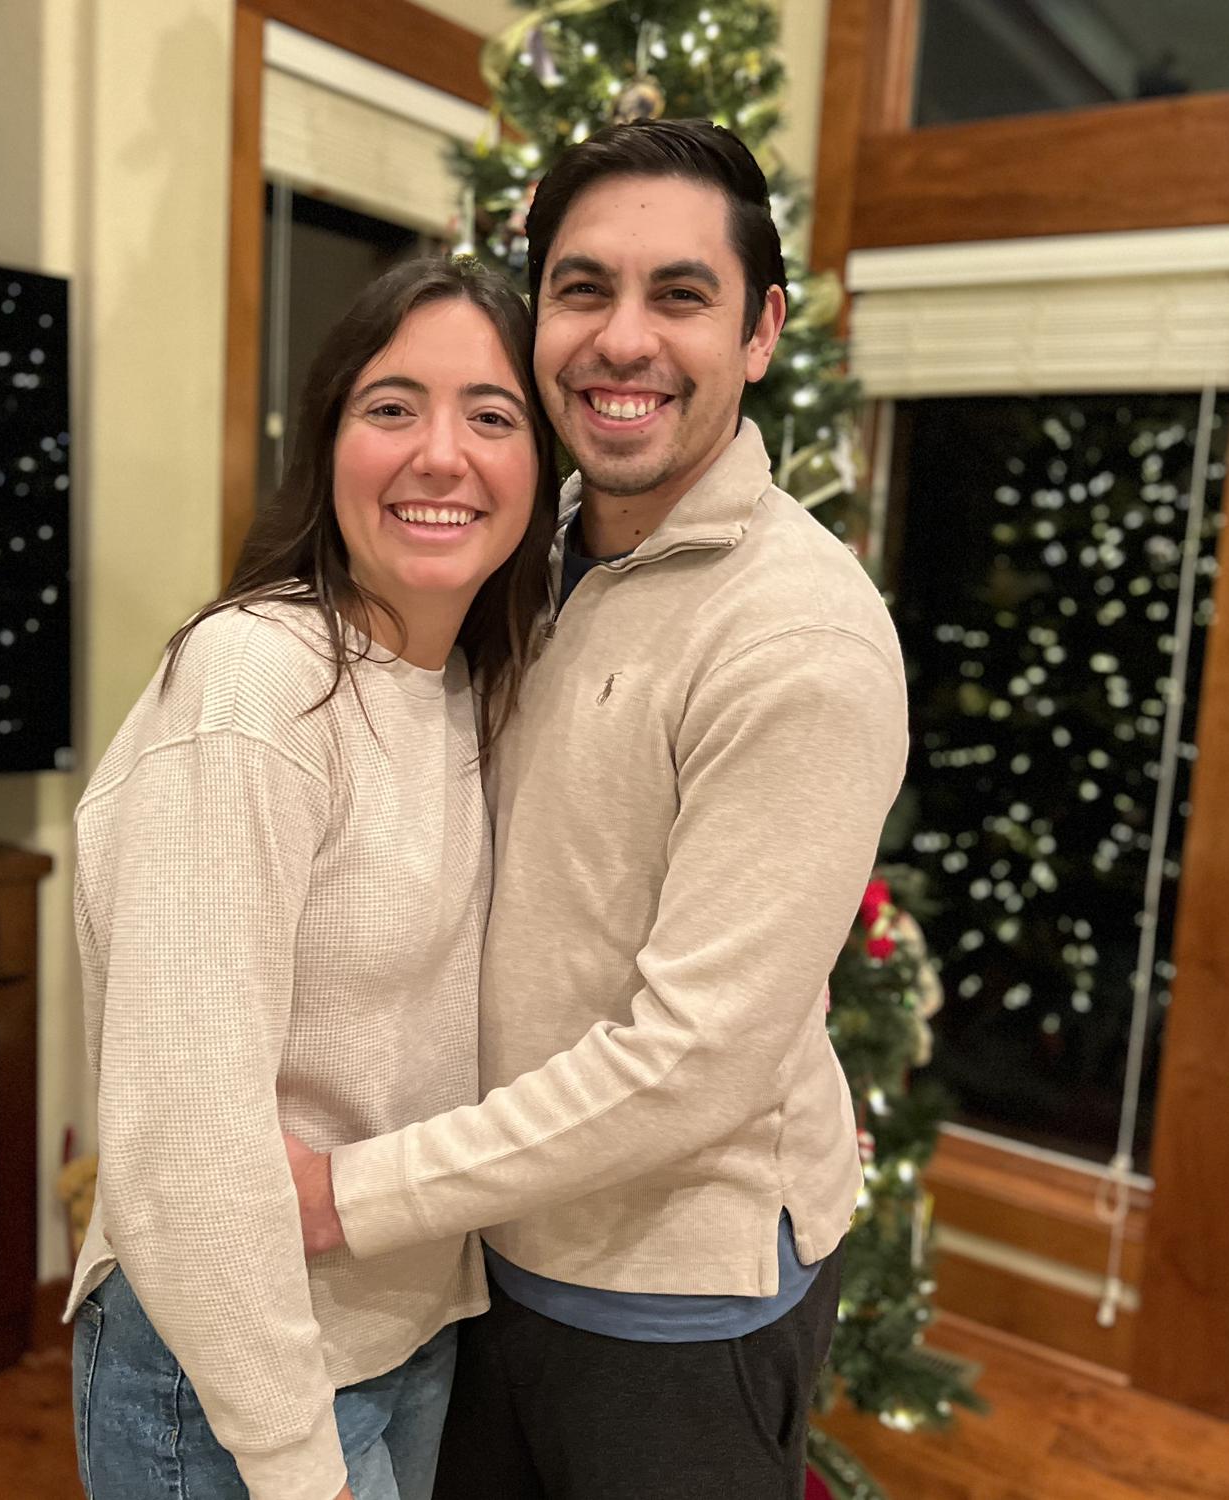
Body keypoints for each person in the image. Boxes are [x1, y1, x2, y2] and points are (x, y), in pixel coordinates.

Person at [287, 120, 909, 1499]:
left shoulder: (798, 638)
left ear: (761, 331)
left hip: (672, 1305)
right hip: (489, 1256)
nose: (623, 340)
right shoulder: (521, 551)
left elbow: (693, 1062)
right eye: (582, 290)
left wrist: (352, 1193)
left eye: (680, 294)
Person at [64, 257, 558, 1500]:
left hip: (408, 1332)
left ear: (542, 467)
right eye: (392, 407)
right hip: (233, 1380)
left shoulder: (472, 687)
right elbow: (181, 1134)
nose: (440, 455)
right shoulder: (257, 682)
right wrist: (295, 1462)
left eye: (492, 416)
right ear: (329, 443)